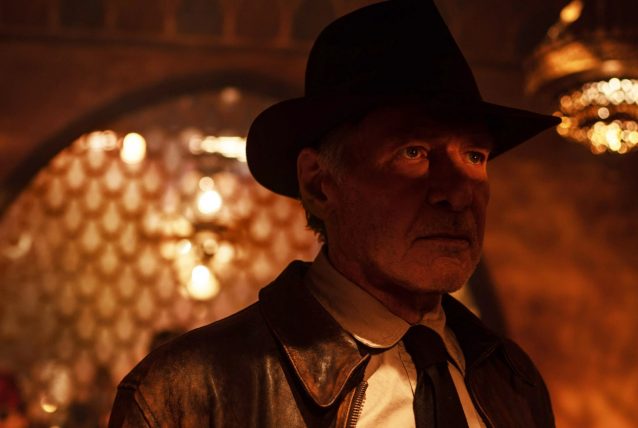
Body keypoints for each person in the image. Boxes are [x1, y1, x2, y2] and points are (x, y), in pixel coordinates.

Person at [108, 0, 560, 426]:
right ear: (319, 184)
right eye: (414, 152)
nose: (458, 194)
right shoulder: (189, 393)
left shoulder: (512, 379)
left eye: (476, 156)